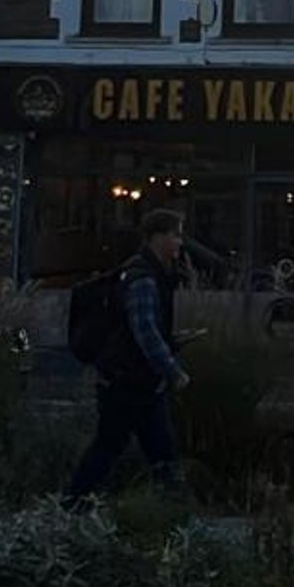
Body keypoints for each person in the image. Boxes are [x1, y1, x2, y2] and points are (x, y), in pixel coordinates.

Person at [66, 207, 192, 503]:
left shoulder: (151, 275)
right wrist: (173, 371)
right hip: (128, 383)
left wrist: (173, 341)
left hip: (139, 382)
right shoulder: (144, 279)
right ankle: (71, 505)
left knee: (159, 452)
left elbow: (144, 330)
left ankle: (174, 515)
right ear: (156, 238)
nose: (180, 243)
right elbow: (144, 331)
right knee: (111, 448)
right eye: (175, 235)